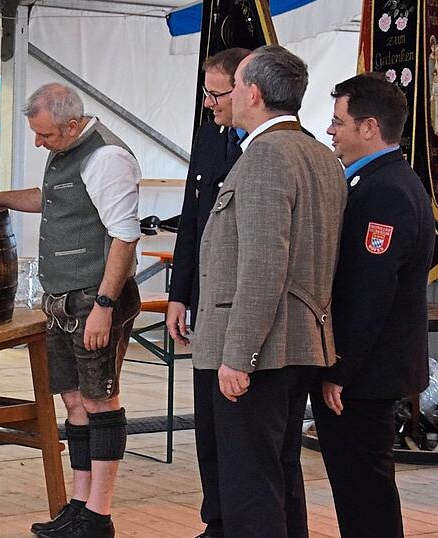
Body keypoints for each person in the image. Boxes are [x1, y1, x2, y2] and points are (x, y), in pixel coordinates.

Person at [193, 46, 346, 538]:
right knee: (280, 478)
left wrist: (238, 355)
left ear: (253, 94)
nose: (228, 96)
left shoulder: (265, 157)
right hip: (298, 343)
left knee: (251, 490)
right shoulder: (320, 155)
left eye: (234, 86)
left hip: (262, 350)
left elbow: (263, 264)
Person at [0, 82, 141, 538]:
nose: (38, 143)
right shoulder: (67, 148)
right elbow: (50, 199)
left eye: (45, 135)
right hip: (61, 299)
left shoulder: (107, 158)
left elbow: (125, 237)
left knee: (100, 401)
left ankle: (99, 516)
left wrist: (105, 306)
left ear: (72, 125)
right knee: (73, 400)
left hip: (94, 299)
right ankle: (79, 504)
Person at [316, 72, 433, 538]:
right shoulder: (379, 180)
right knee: (359, 487)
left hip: (365, 374)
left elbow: (369, 291)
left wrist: (339, 369)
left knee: (364, 488)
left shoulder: (383, 190)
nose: (330, 131)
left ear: (368, 128)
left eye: (337, 121)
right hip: (368, 370)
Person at [164, 47, 250, 538]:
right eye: (207, 92)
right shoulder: (209, 134)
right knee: (208, 423)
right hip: (204, 302)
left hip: (241, 305)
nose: (210, 102)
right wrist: (179, 293)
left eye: (217, 93)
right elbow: (192, 219)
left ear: (245, 90)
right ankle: (214, 519)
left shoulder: (263, 146)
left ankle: (236, 523)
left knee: (239, 427)